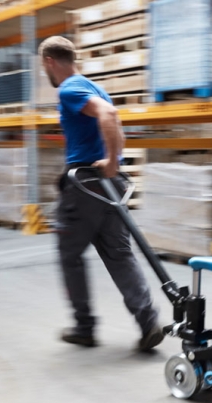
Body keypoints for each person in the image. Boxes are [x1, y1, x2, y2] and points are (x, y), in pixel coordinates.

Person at [39, 36, 164, 351]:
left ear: (50, 62)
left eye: (45, 67)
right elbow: (115, 120)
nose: (46, 74)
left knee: (69, 254)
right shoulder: (94, 86)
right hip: (109, 186)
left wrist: (109, 161)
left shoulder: (69, 89)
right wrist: (114, 163)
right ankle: (148, 322)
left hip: (85, 186)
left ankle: (84, 327)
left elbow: (108, 116)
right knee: (120, 255)